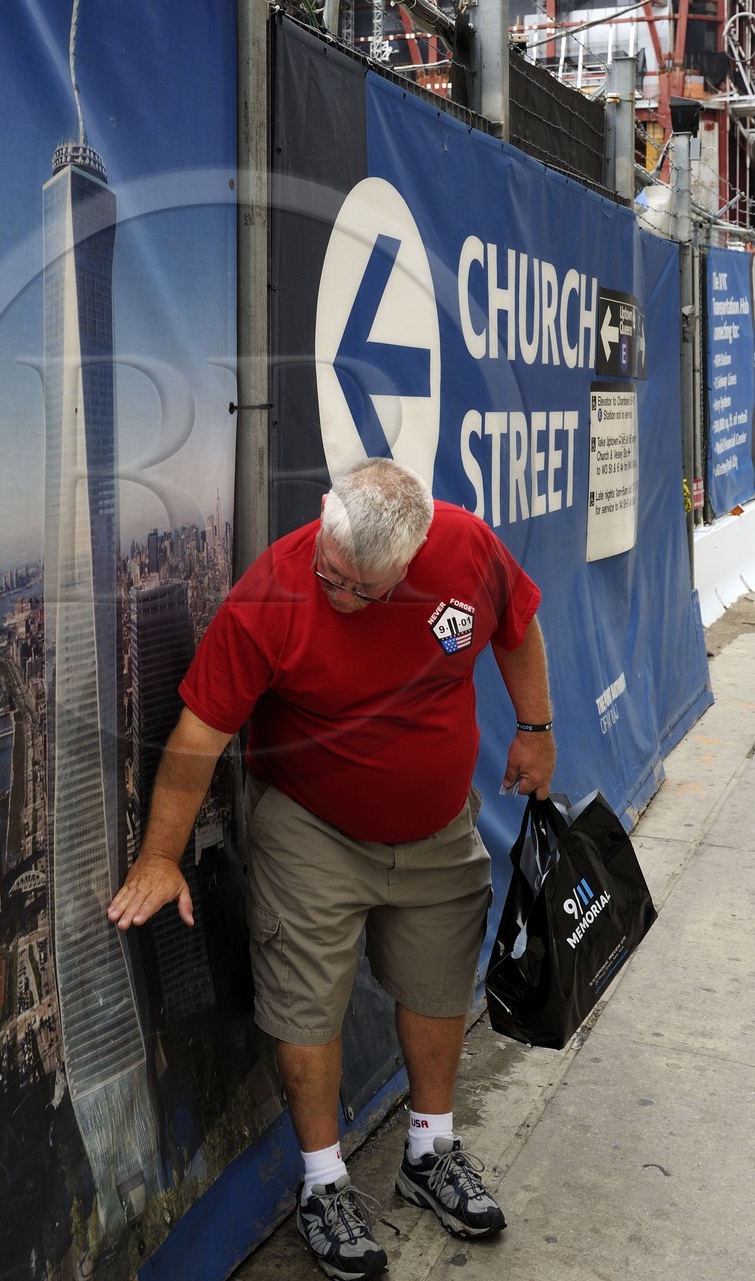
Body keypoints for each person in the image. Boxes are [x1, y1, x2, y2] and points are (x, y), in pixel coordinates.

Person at [108, 458, 555, 1281]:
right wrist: (161, 857)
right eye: (332, 574)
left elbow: (517, 625)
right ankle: (323, 1183)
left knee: (439, 979)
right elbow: (197, 737)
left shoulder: (466, 549)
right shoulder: (270, 595)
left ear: (415, 558)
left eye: (363, 589)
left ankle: (431, 1151)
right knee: (304, 997)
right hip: (313, 825)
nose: (340, 594)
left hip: (436, 824)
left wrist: (535, 726)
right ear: (324, 517)